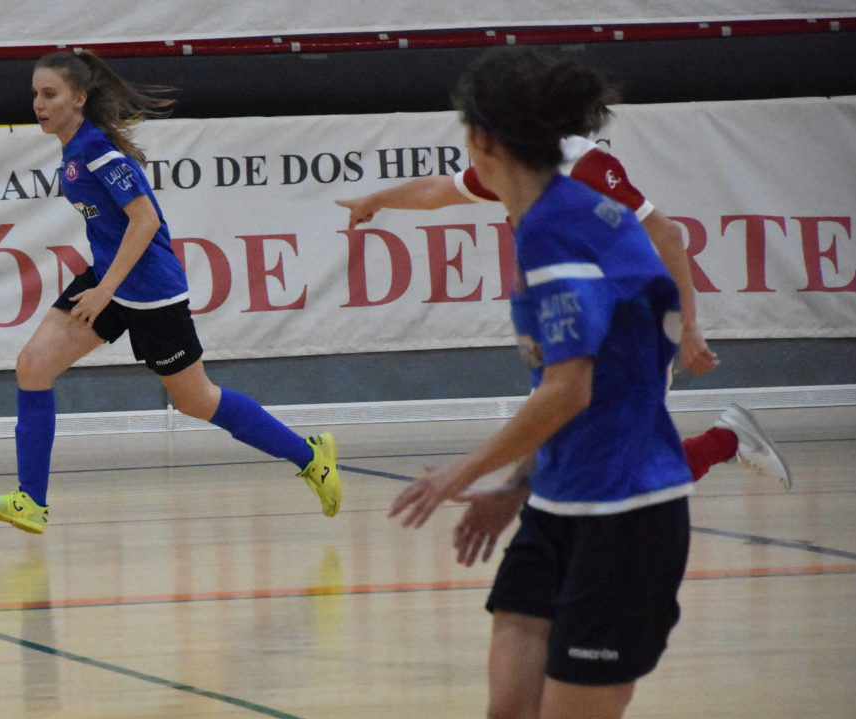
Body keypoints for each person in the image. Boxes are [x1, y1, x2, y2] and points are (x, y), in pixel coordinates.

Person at [388, 49, 848, 719]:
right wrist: (516, 485)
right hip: (557, 504)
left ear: (484, 143)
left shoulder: (556, 232)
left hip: (625, 520)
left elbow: (570, 389)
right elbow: (604, 371)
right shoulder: (559, 215)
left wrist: (460, 474)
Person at [0, 50, 340, 534]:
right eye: (35, 94)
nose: (38, 103)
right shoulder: (73, 149)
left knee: (196, 401)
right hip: (109, 281)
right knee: (33, 365)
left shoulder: (98, 151)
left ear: (79, 98)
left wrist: (104, 291)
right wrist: (103, 286)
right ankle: (30, 501)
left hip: (151, 294)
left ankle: (311, 458)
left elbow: (145, 221)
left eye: (50, 94)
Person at [337, 105, 792, 492]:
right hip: (570, 332)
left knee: (587, 474)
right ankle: (727, 441)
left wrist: (689, 327)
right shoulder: (512, 166)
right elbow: (438, 190)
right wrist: (376, 198)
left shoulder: (586, 167)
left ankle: (724, 444)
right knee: (595, 473)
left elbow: (669, 235)